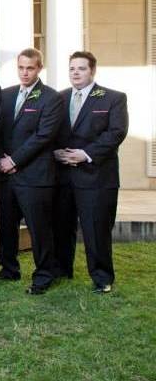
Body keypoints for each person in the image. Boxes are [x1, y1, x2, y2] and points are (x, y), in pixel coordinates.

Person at [52, 51, 128, 294]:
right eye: (72, 68)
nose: (76, 72)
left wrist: (85, 154)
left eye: (81, 68)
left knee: (96, 229)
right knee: (62, 226)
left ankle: (102, 277)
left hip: (96, 176)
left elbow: (116, 132)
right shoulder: (59, 98)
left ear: (92, 71)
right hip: (63, 175)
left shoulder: (112, 98)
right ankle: (62, 270)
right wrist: (56, 152)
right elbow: (49, 130)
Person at [0, 49, 63, 295]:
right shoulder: (5, 95)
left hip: (35, 175)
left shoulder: (51, 98)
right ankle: (9, 268)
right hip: (6, 173)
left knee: (39, 228)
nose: (25, 72)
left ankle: (44, 274)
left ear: (39, 69)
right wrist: (1, 159)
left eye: (30, 68)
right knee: (5, 224)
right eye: (21, 67)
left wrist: (15, 160)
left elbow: (43, 136)